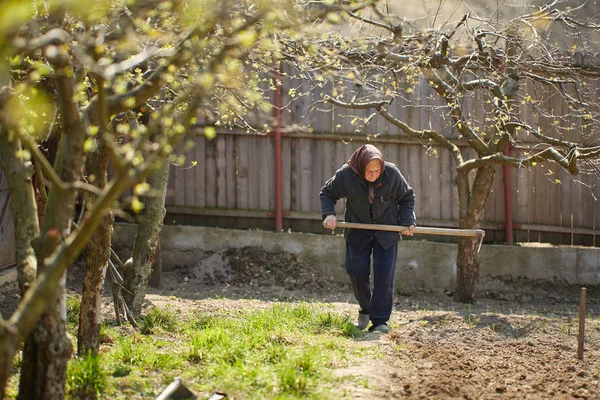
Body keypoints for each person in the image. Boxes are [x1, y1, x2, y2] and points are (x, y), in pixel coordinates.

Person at [320, 144, 415, 333]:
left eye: (377, 171)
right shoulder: (347, 174)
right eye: (369, 171)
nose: (374, 175)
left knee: (384, 274)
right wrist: (329, 214)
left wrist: (407, 221)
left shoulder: (392, 173)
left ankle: (379, 321)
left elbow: (407, 197)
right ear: (360, 166)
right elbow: (327, 193)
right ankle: (366, 309)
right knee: (356, 271)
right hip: (358, 230)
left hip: (386, 231)